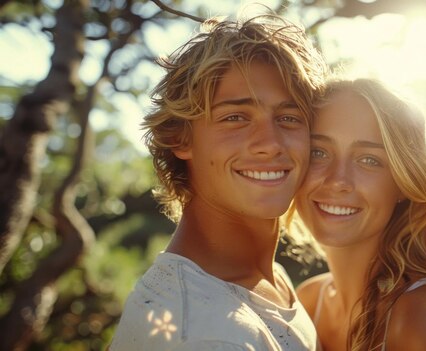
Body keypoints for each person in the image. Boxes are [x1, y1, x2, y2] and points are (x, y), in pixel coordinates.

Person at [109, 10, 327, 350]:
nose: (270, 143)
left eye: (288, 117)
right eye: (236, 117)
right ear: (180, 138)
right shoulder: (206, 335)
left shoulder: (263, 279)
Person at [289, 78, 426, 351]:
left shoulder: (424, 322)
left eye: (369, 159)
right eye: (318, 152)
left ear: (404, 182)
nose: (337, 180)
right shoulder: (308, 301)